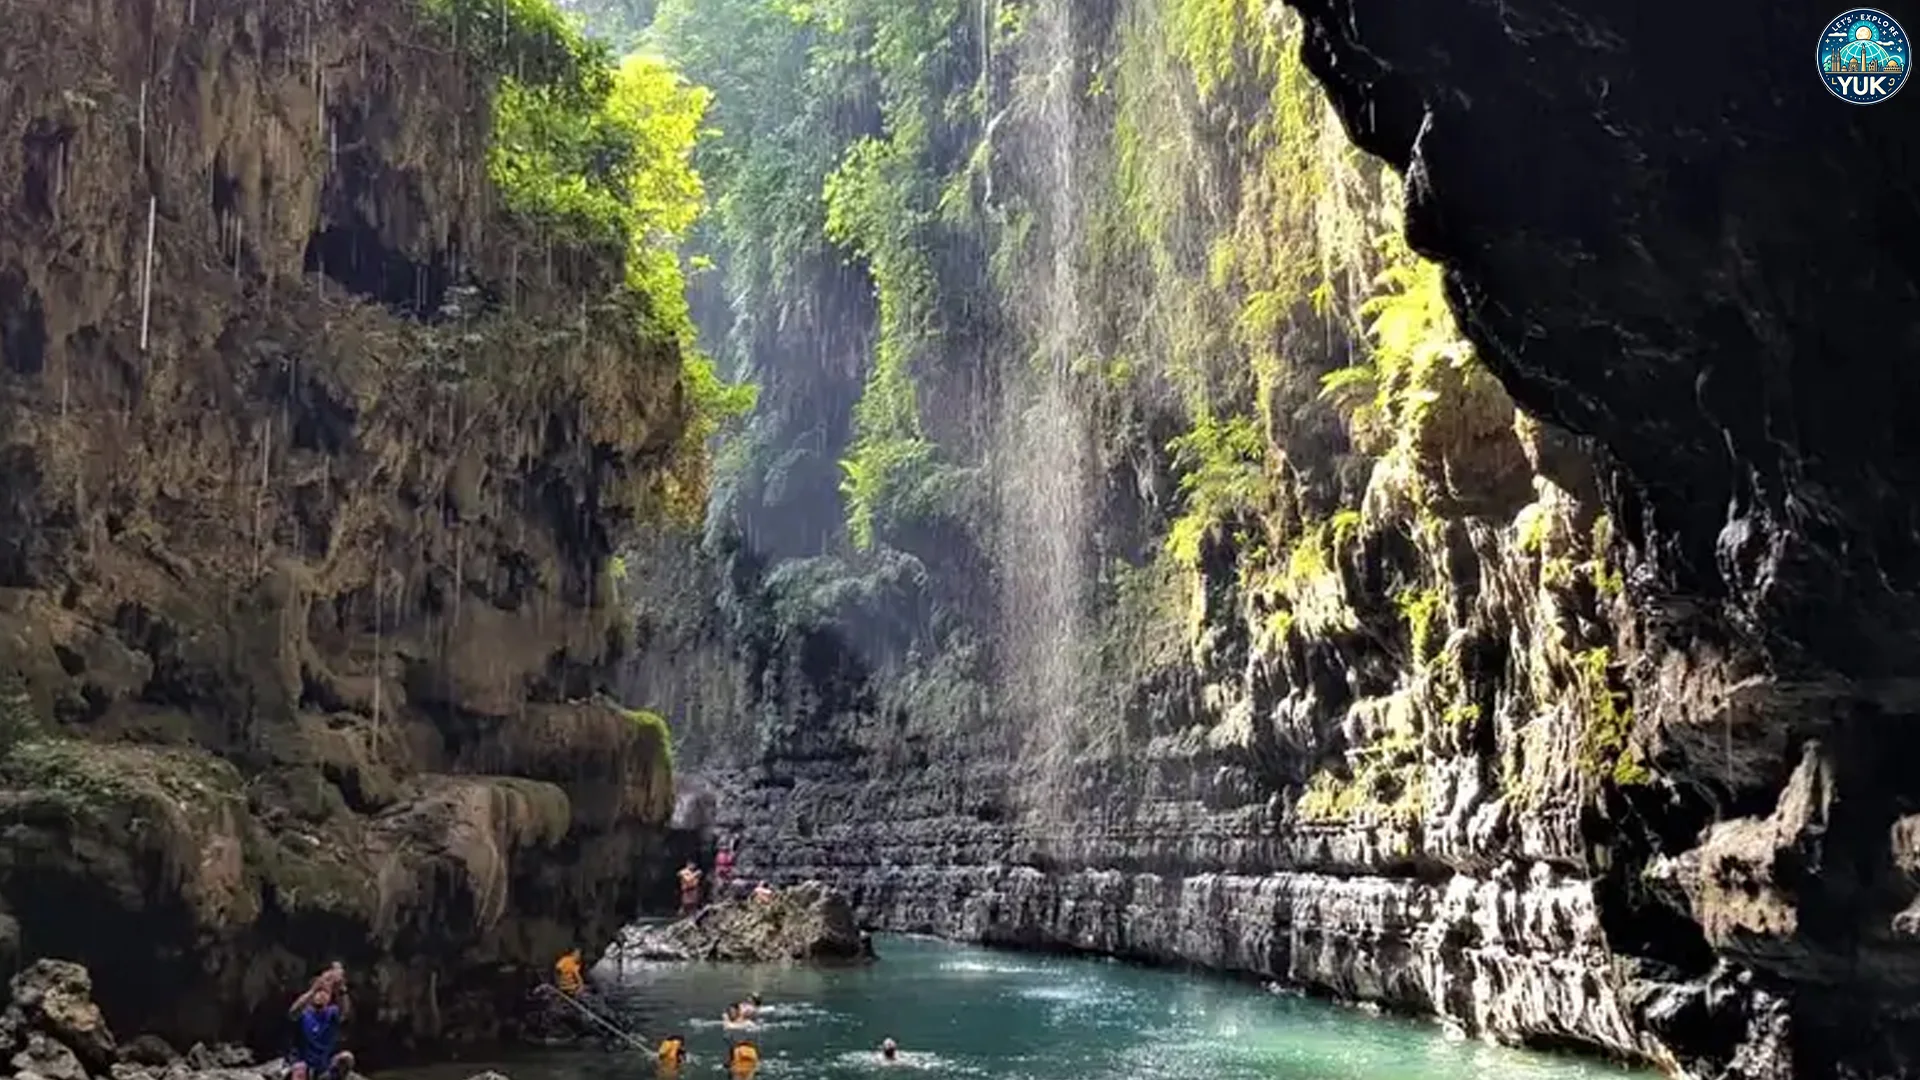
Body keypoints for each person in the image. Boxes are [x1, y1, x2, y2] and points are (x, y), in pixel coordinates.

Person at [286, 966, 354, 1080]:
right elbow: (293, 1013)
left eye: (326, 992)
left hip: (324, 1068)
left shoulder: (332, 1012)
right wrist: (313, 990)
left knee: (347, 1057)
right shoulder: (304, 1012)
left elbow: (344, 1012)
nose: (322, 995)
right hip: (300, 1065)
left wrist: (341, 987)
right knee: (300, 1068)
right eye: (319, 992)